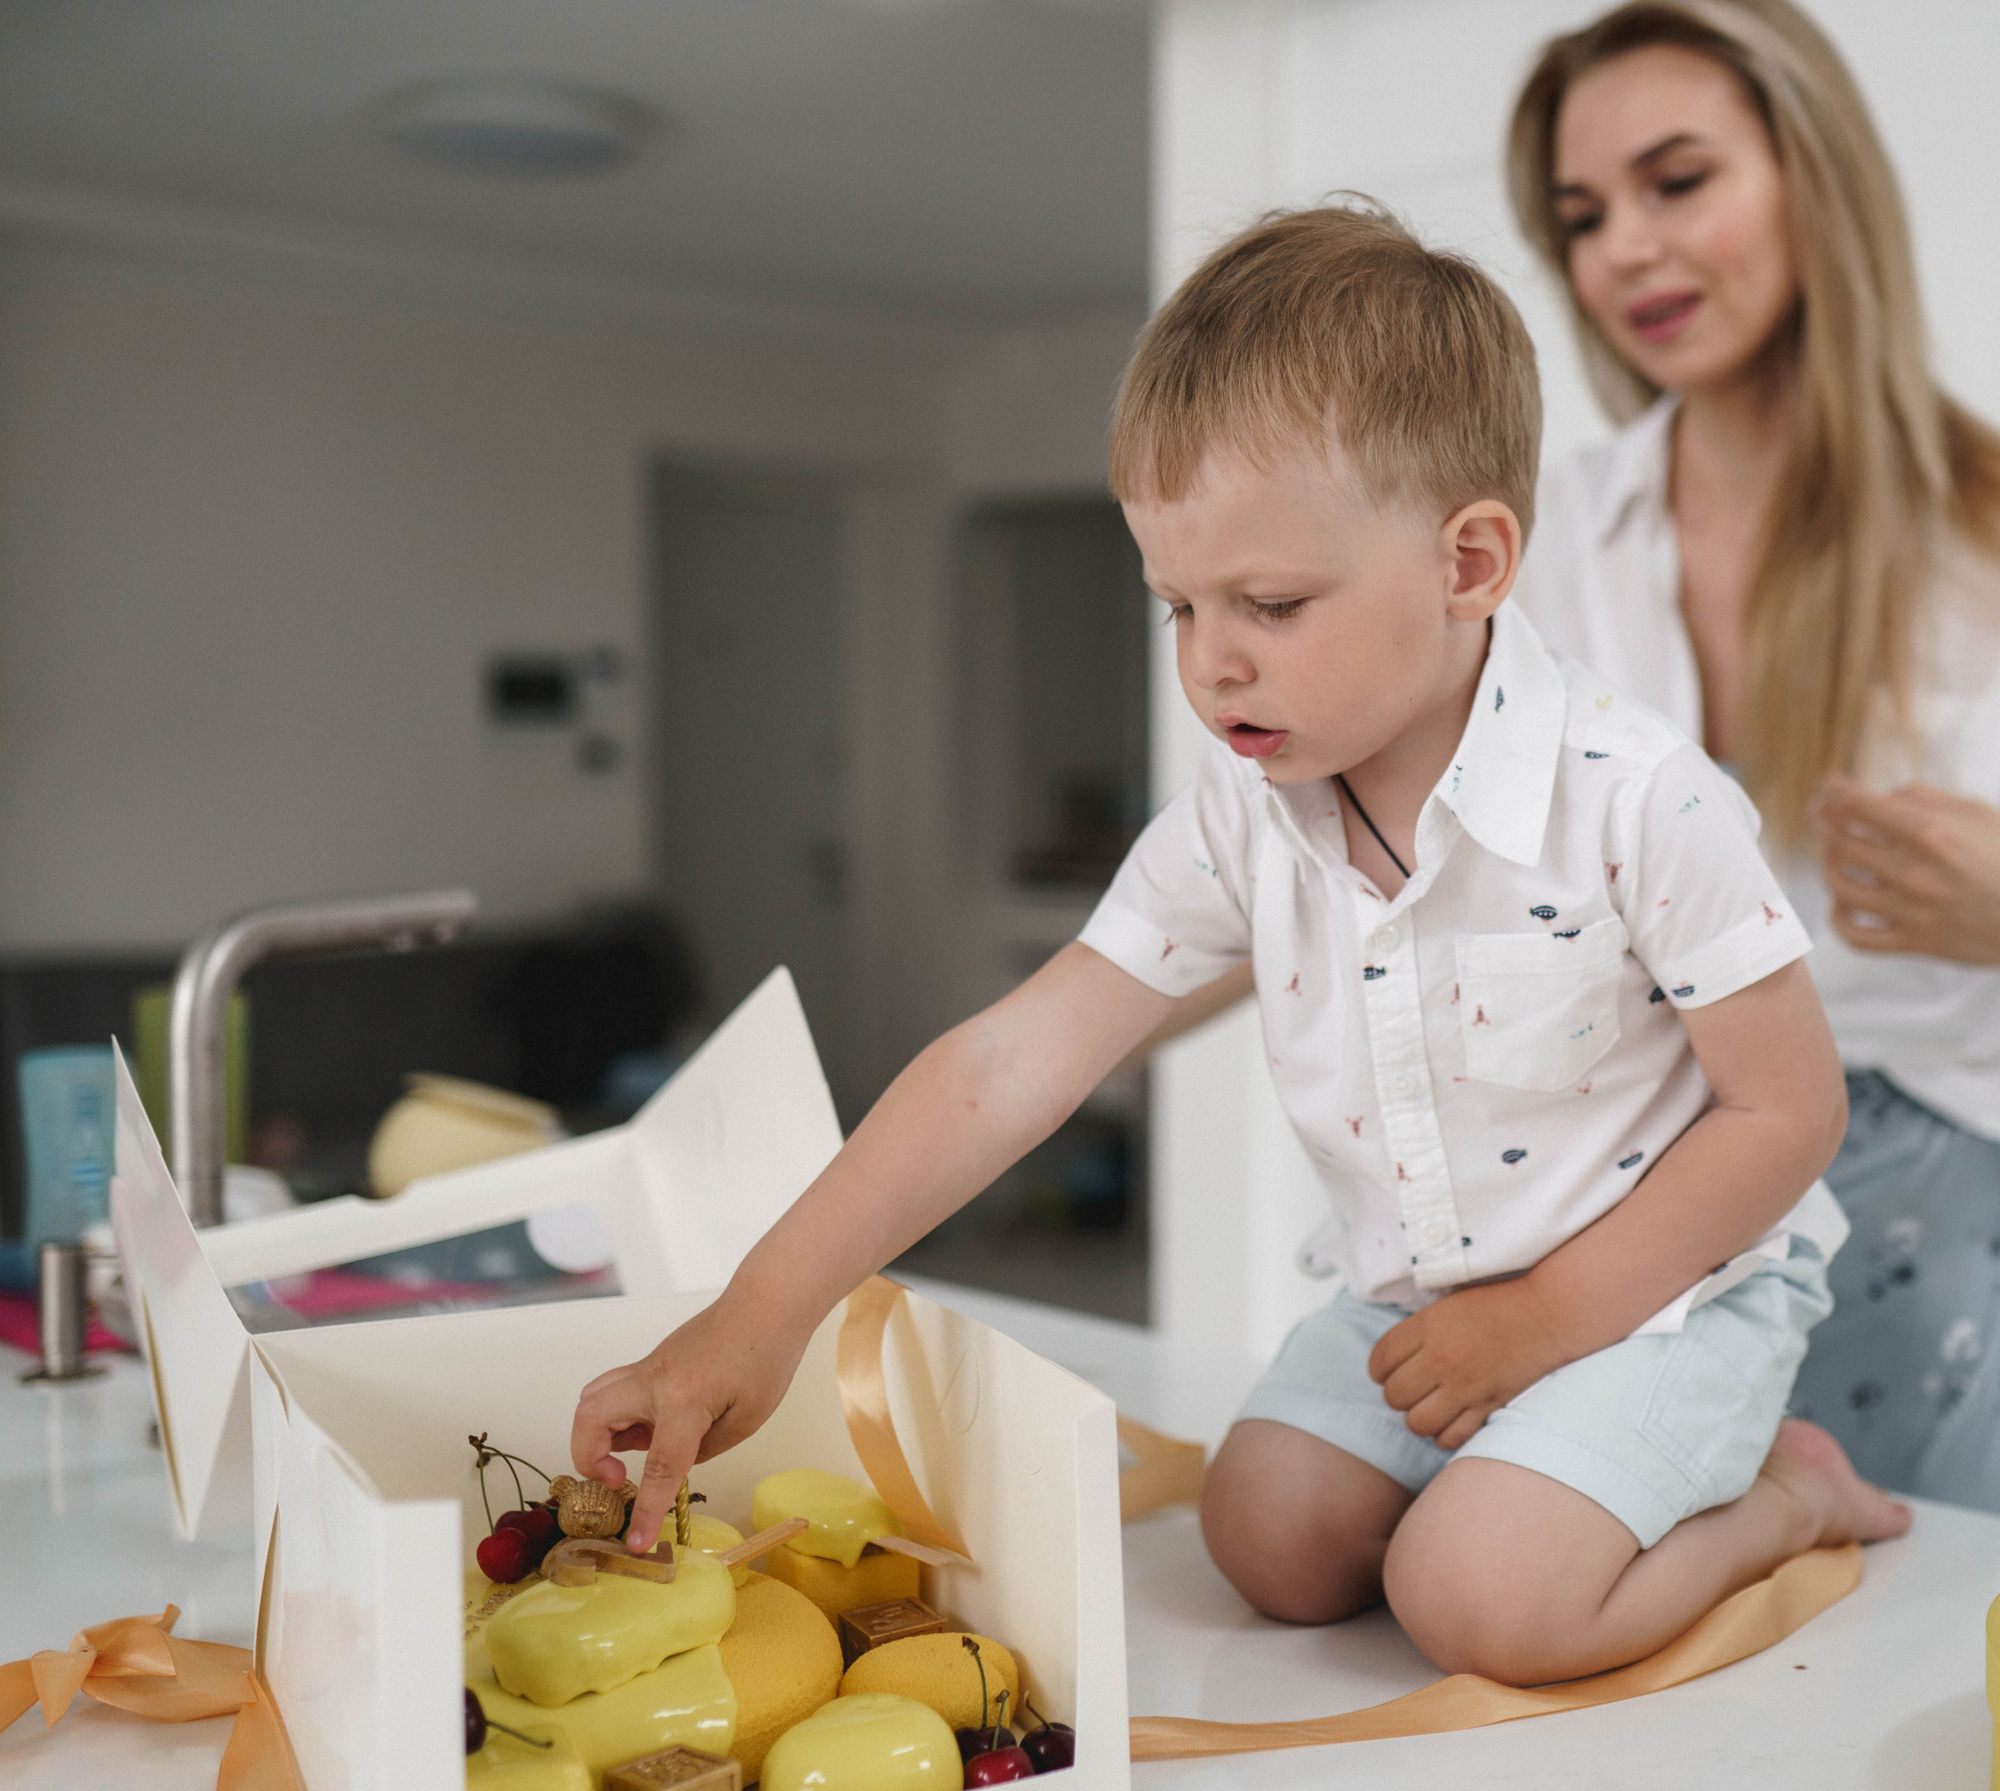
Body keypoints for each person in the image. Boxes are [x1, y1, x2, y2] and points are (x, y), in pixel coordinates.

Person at [572, 206, 1908, 1688]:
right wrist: (757, 1318)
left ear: (1470, 563)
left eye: (1271, 605)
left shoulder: (1639, 798)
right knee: (1265, 1538)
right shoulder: (1242, 813)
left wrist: (1544, 1324)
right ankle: (1524, 1483)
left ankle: (1788, 1496)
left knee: (1483, 1605)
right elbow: (1012, 1063)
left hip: (1658, 1301)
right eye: (1178, 605)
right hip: (1422, 1310)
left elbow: (1791, 1113)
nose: (1211, 662)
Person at [1502, 0, 2000, 1523]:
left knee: (1915, 1666)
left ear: (1817, 178)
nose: (1625, 249)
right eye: (1582, 217)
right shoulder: (1531, 543)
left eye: (1677, 181)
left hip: (1908, 1276)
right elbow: (1301, 850)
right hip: (1584, 1240)